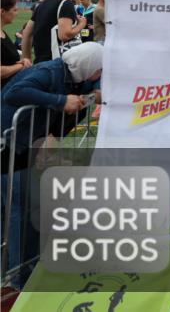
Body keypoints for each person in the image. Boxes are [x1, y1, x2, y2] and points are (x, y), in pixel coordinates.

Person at [1, 42, 103, 289]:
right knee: (19, 209)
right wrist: (59, 100)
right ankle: (19, 275)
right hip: (8, 143)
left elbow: (92, 87)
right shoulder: (49, 71)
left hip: (25, 144)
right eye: (99, 70)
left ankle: (26, 265)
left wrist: (98, 94)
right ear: (88, 66)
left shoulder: (76, 76)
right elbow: (13, 93)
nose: (100, 76)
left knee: (26, 208)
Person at [20, 0, 87, 63]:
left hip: (40, 62)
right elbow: (64, 35)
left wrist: (27, 58)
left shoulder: (42, 4)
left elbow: (27, 32)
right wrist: (81, 25)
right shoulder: (66, 4)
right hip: (57, 64)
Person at [2, 0, 31, 88]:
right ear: (2, 11)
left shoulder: (3, 33)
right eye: (14, 10)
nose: (16, 14)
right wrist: (21, 65)